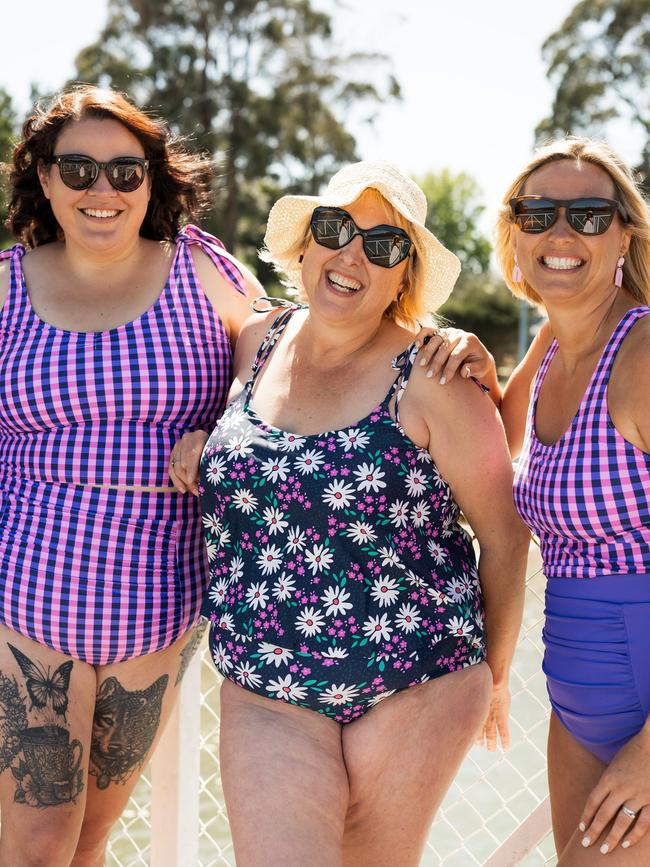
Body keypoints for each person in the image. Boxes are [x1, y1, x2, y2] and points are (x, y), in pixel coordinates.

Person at [170, 160, 529, 865]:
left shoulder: (437, 379)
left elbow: (506, 534)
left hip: (415, 678)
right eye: (335, 228)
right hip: (268, 683)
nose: (352, 256)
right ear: (305, 243)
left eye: (384, 245)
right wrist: (202, 438)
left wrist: (497, 673)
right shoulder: (256, 342)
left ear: (405, 276)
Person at [0, 85, 261, 866]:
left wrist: (224, 420)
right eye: (76, 168)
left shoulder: (202, 267)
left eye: (125, 169)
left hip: (159, 600)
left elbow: (275, 343)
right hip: (26, 587)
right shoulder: (6, 283)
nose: (102, 189)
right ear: (43, 178)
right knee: (37, 840)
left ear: (153, 179)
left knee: (89, 837)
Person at [419, 137, 650, 864]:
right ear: (512, 234)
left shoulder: (642, 359)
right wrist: (475, 363)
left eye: (587, 213)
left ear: (624, 235)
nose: (560, 232)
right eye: (537, 212)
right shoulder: (552, 341)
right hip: (579, 687)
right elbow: (492, 442)